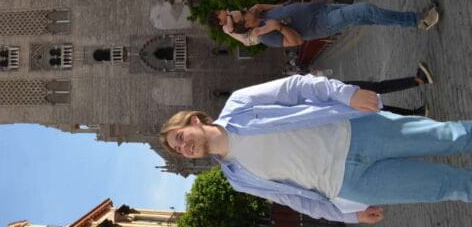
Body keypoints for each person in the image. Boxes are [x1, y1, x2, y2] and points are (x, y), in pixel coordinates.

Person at [160, 73, 472, 224]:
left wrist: (347, 94)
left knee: (451, 136)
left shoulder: (240, 104)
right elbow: (295, 199)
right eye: (179, 150)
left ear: (195, 120)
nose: (184, 147)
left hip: (356, 132)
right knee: (445, 187)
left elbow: (297, 87)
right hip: (350, 184)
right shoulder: (237, 179)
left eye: (180, 137)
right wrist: (349, 216)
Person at [209, 0, 439, 47]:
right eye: (241, 15)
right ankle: (418, 20)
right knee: (365, 9)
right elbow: (297, 41)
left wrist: (264, 7)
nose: (241, 11)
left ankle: (414, 21)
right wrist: (278, 26)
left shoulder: (258, 13)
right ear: (245, 25)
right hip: (323, 24)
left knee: (366, 17)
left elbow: (283, 7)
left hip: (320, 9)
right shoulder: (267, 36)